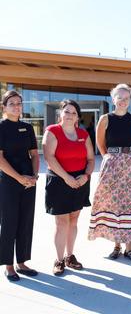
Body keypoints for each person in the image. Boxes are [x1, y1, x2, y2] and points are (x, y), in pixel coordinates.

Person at [88, 83, 131, 263]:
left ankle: (130, 248)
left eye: (126, 98)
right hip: (112, 164)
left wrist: (126, 158)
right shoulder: (105, 118)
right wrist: (110, 159)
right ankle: (116, 246)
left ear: (130, 100)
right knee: (114, 204)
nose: (123, 101)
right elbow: (100, 143)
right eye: (119, 97)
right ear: (113, 99)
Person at [42, 99, 94, 275]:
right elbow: (49, 157)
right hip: (59, 180)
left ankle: (69, 256)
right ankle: (58, 260)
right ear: (60, 114)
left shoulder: (83, 134)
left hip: (80, 181)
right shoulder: (52, 131)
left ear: (78, 116)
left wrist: (86, 176)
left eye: (73, 112)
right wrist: (66, 178)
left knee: (74, 220)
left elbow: (91, 159)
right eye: (67, 111)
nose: (70, 115)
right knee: (61, 222)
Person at [0, 90, 39, 281]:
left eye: (19, 103)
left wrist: (33, 176)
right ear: (4, 107)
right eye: (12, 103)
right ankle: (8, 265)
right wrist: (18, 178)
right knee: (9, 223)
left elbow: (34, 154)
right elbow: (0, 159)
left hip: (28, 181)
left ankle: (22, 262)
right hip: (8, 181)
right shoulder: (1, 127)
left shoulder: (28, 128)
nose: (16, 106)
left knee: (25, 221)